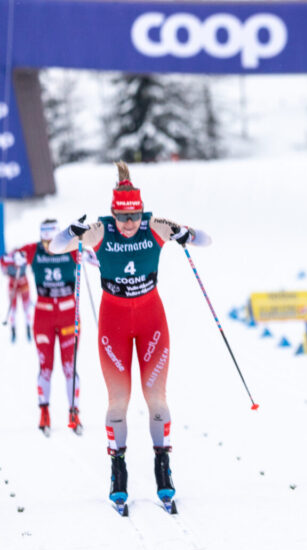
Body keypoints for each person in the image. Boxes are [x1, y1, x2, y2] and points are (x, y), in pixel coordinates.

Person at [49, 161, 211, 509]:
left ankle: (162, 466)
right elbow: (55, 248)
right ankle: (117, 467)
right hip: (114, 324)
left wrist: (187, 235)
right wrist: (72, 231)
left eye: (134, 216)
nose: (128, 225)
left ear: (141, 211)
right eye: (122, 218)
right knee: (118, 402)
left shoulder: (155, 226)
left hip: (152, 320)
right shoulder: (101, 230)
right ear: (112, 214)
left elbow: (206, 240)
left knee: (156, 399)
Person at [1, 218, 98, 436]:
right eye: (45, 242)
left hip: (68, 315)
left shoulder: (72, 248)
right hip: (43, 315)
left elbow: (98, 259)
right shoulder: (34, 250)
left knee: (69, 367)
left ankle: (74, 412)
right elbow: (6, 260)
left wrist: (88, 254)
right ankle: (44, 412)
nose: (49, 247)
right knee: (46, 367)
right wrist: (13, 257)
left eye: (52, 242)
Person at [3, 249, 32, 343]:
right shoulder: (8, 260)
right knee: (13, 309)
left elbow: (30, 260)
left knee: (26, 308)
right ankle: (13, 330)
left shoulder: (24, 258)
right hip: (13, 285)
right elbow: (3, 265)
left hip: (23, 284)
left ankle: (28, 328)